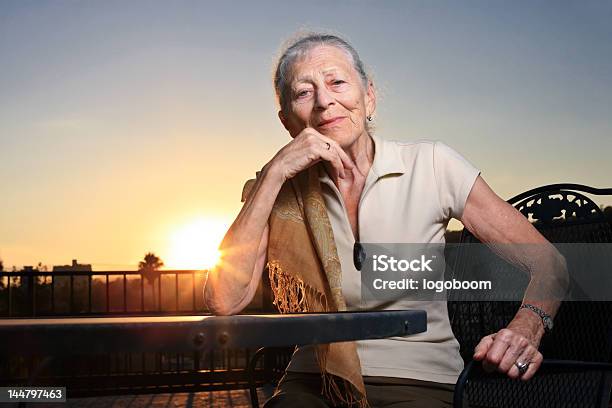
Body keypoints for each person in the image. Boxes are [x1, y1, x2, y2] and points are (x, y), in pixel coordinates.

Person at [204, 32, 567, 408]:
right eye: (303, 92)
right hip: (315, 380)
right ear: (287, 122)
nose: (325, 101)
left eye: (337, 82)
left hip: (418, 380)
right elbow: (224, 300)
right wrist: (273, 173)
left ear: (368, 96)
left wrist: (526, 327)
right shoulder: (280, 189)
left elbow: (549, 264)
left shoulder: (433, 164)